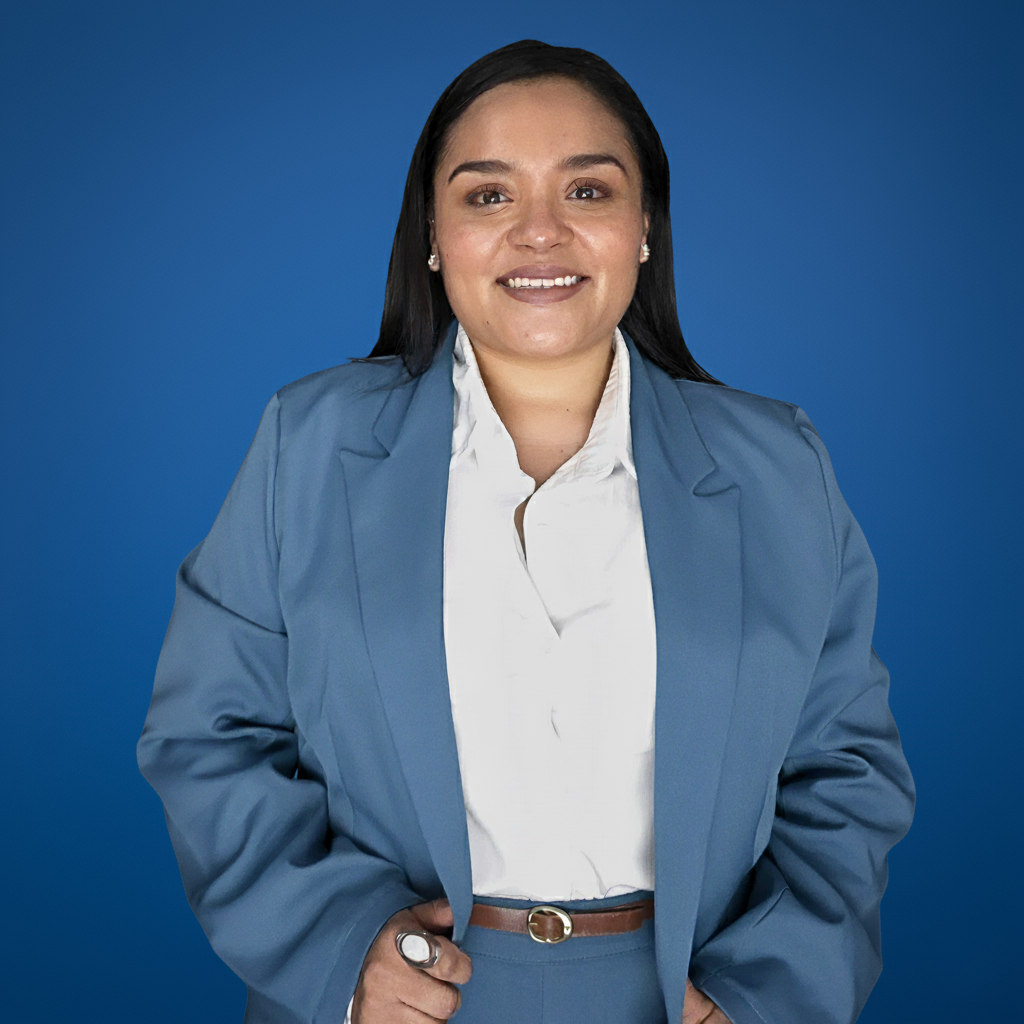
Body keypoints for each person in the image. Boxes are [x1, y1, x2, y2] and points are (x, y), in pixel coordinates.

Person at [137, 39, 915, 1024]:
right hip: (402, 999)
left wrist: (766, 995)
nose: (539, 232)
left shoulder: (779, 467)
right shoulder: (309, 442)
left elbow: (845, 771)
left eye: (587, 191)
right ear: (432, 234)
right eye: (488, 195)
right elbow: (207, 735)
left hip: (681, 998)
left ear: (644, 226)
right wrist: (339, 951)